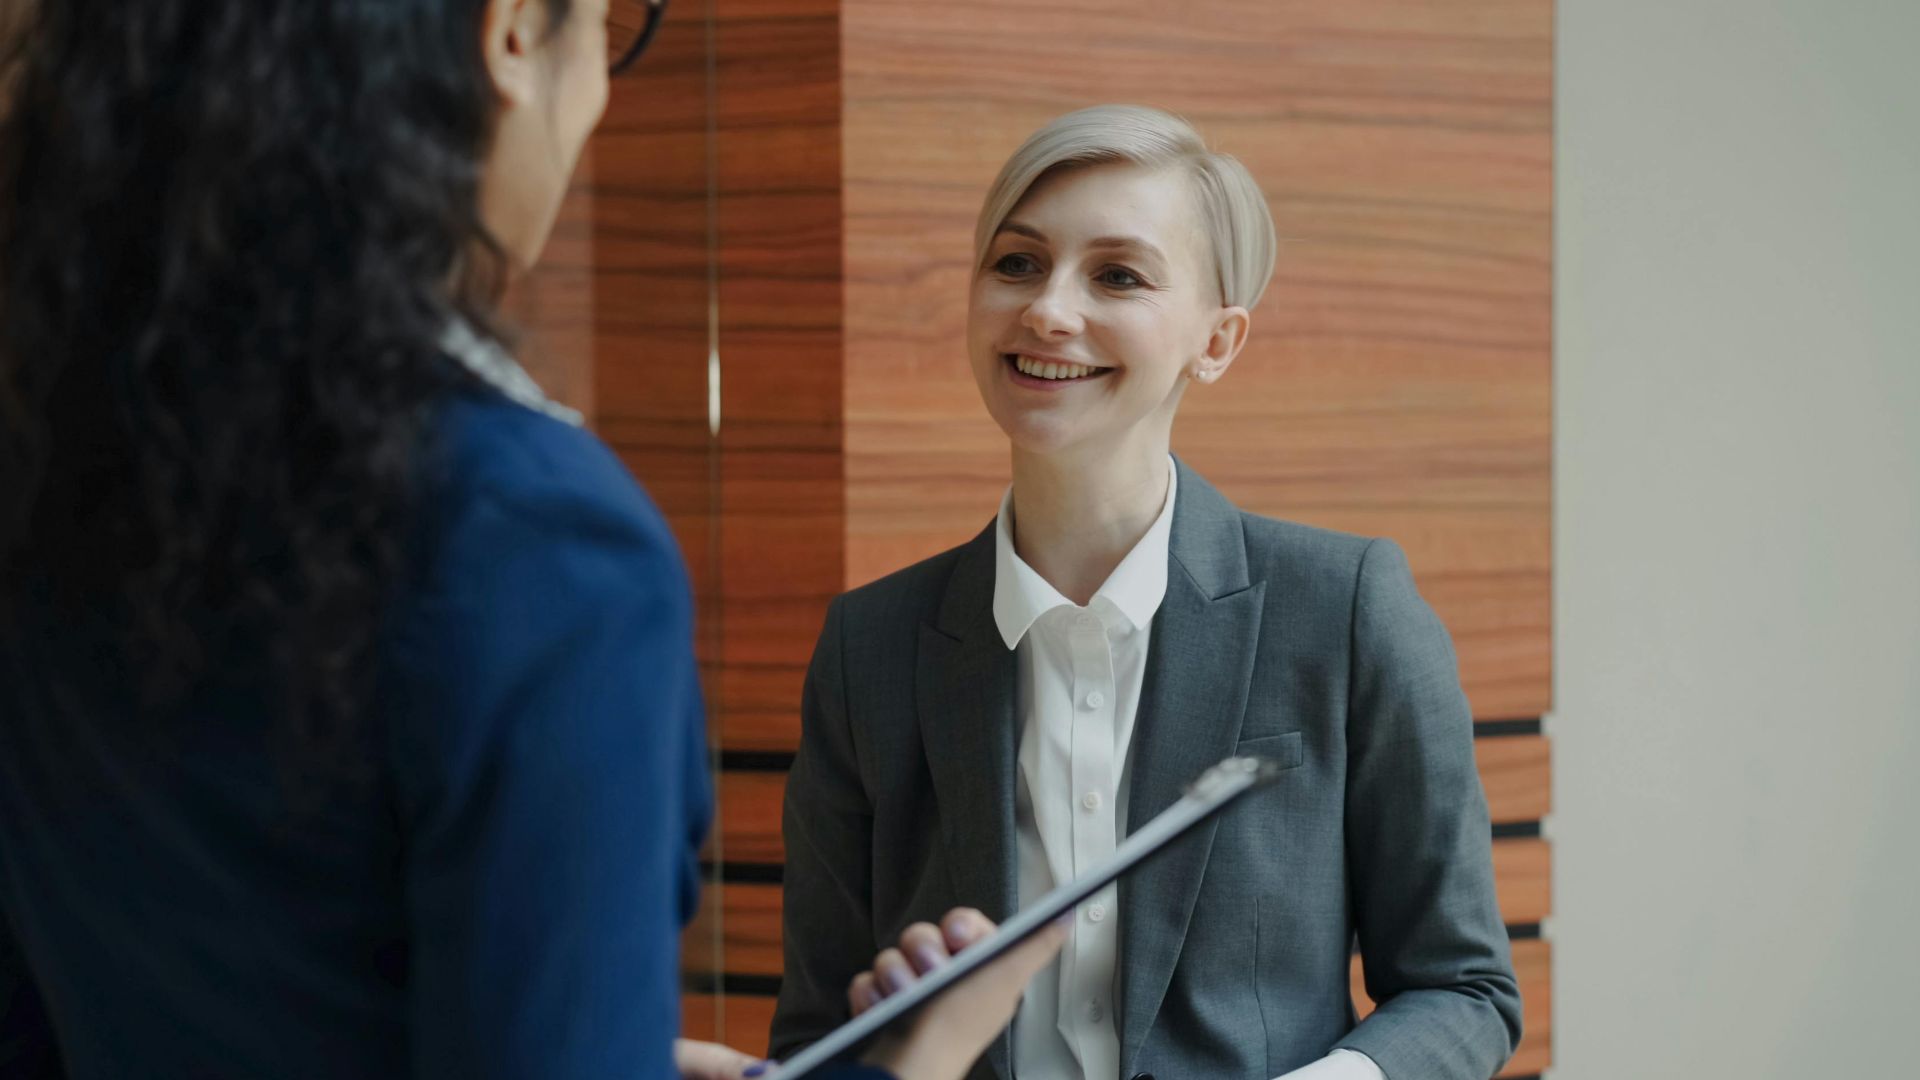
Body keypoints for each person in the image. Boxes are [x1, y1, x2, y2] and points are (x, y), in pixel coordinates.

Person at [0, 1, 1058, 1078]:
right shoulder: (538, 543)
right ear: (510, 31)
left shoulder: (58, 483)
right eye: (607, 27)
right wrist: (908, 1064)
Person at [771, 105, 1523, 1080]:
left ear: (1218, 341)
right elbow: (818, 1039)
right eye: (1017, 264)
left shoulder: (1345, 609)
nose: (1048, 310)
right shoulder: (866, 646)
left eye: (1117, 275)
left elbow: (1463, 991)